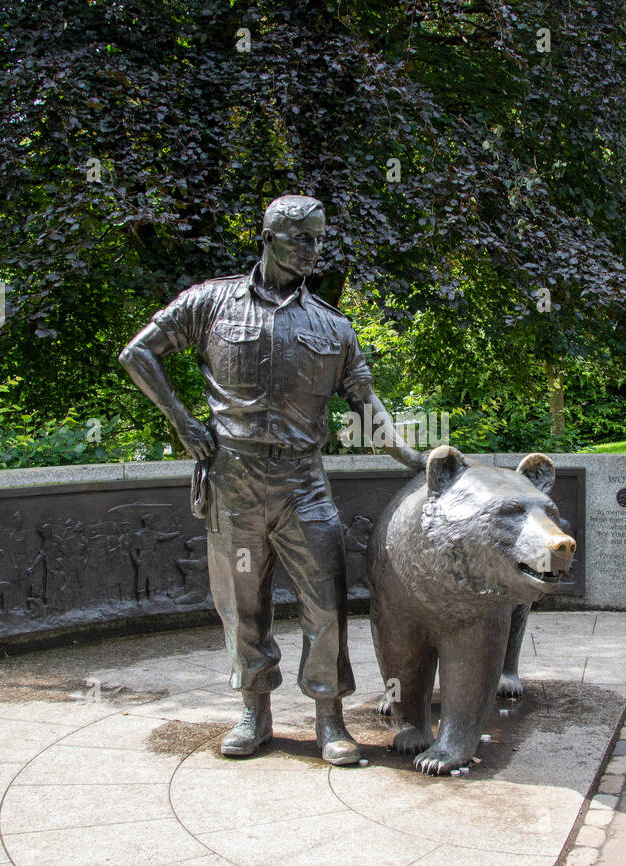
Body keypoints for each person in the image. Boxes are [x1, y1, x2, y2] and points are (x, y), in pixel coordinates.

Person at [118, 194, 425, 765]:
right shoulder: (210, 303)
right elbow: (138, 354)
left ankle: (330, 719)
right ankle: (254, 712)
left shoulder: (333, 327)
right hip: (233, 480)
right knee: (242, 601)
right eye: (302, 238)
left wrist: (414, 458)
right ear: (269, 235)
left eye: (319, 238)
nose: (314, 249)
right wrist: (184, 424)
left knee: (327, 602)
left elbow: (364, 401)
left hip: (302, 482)